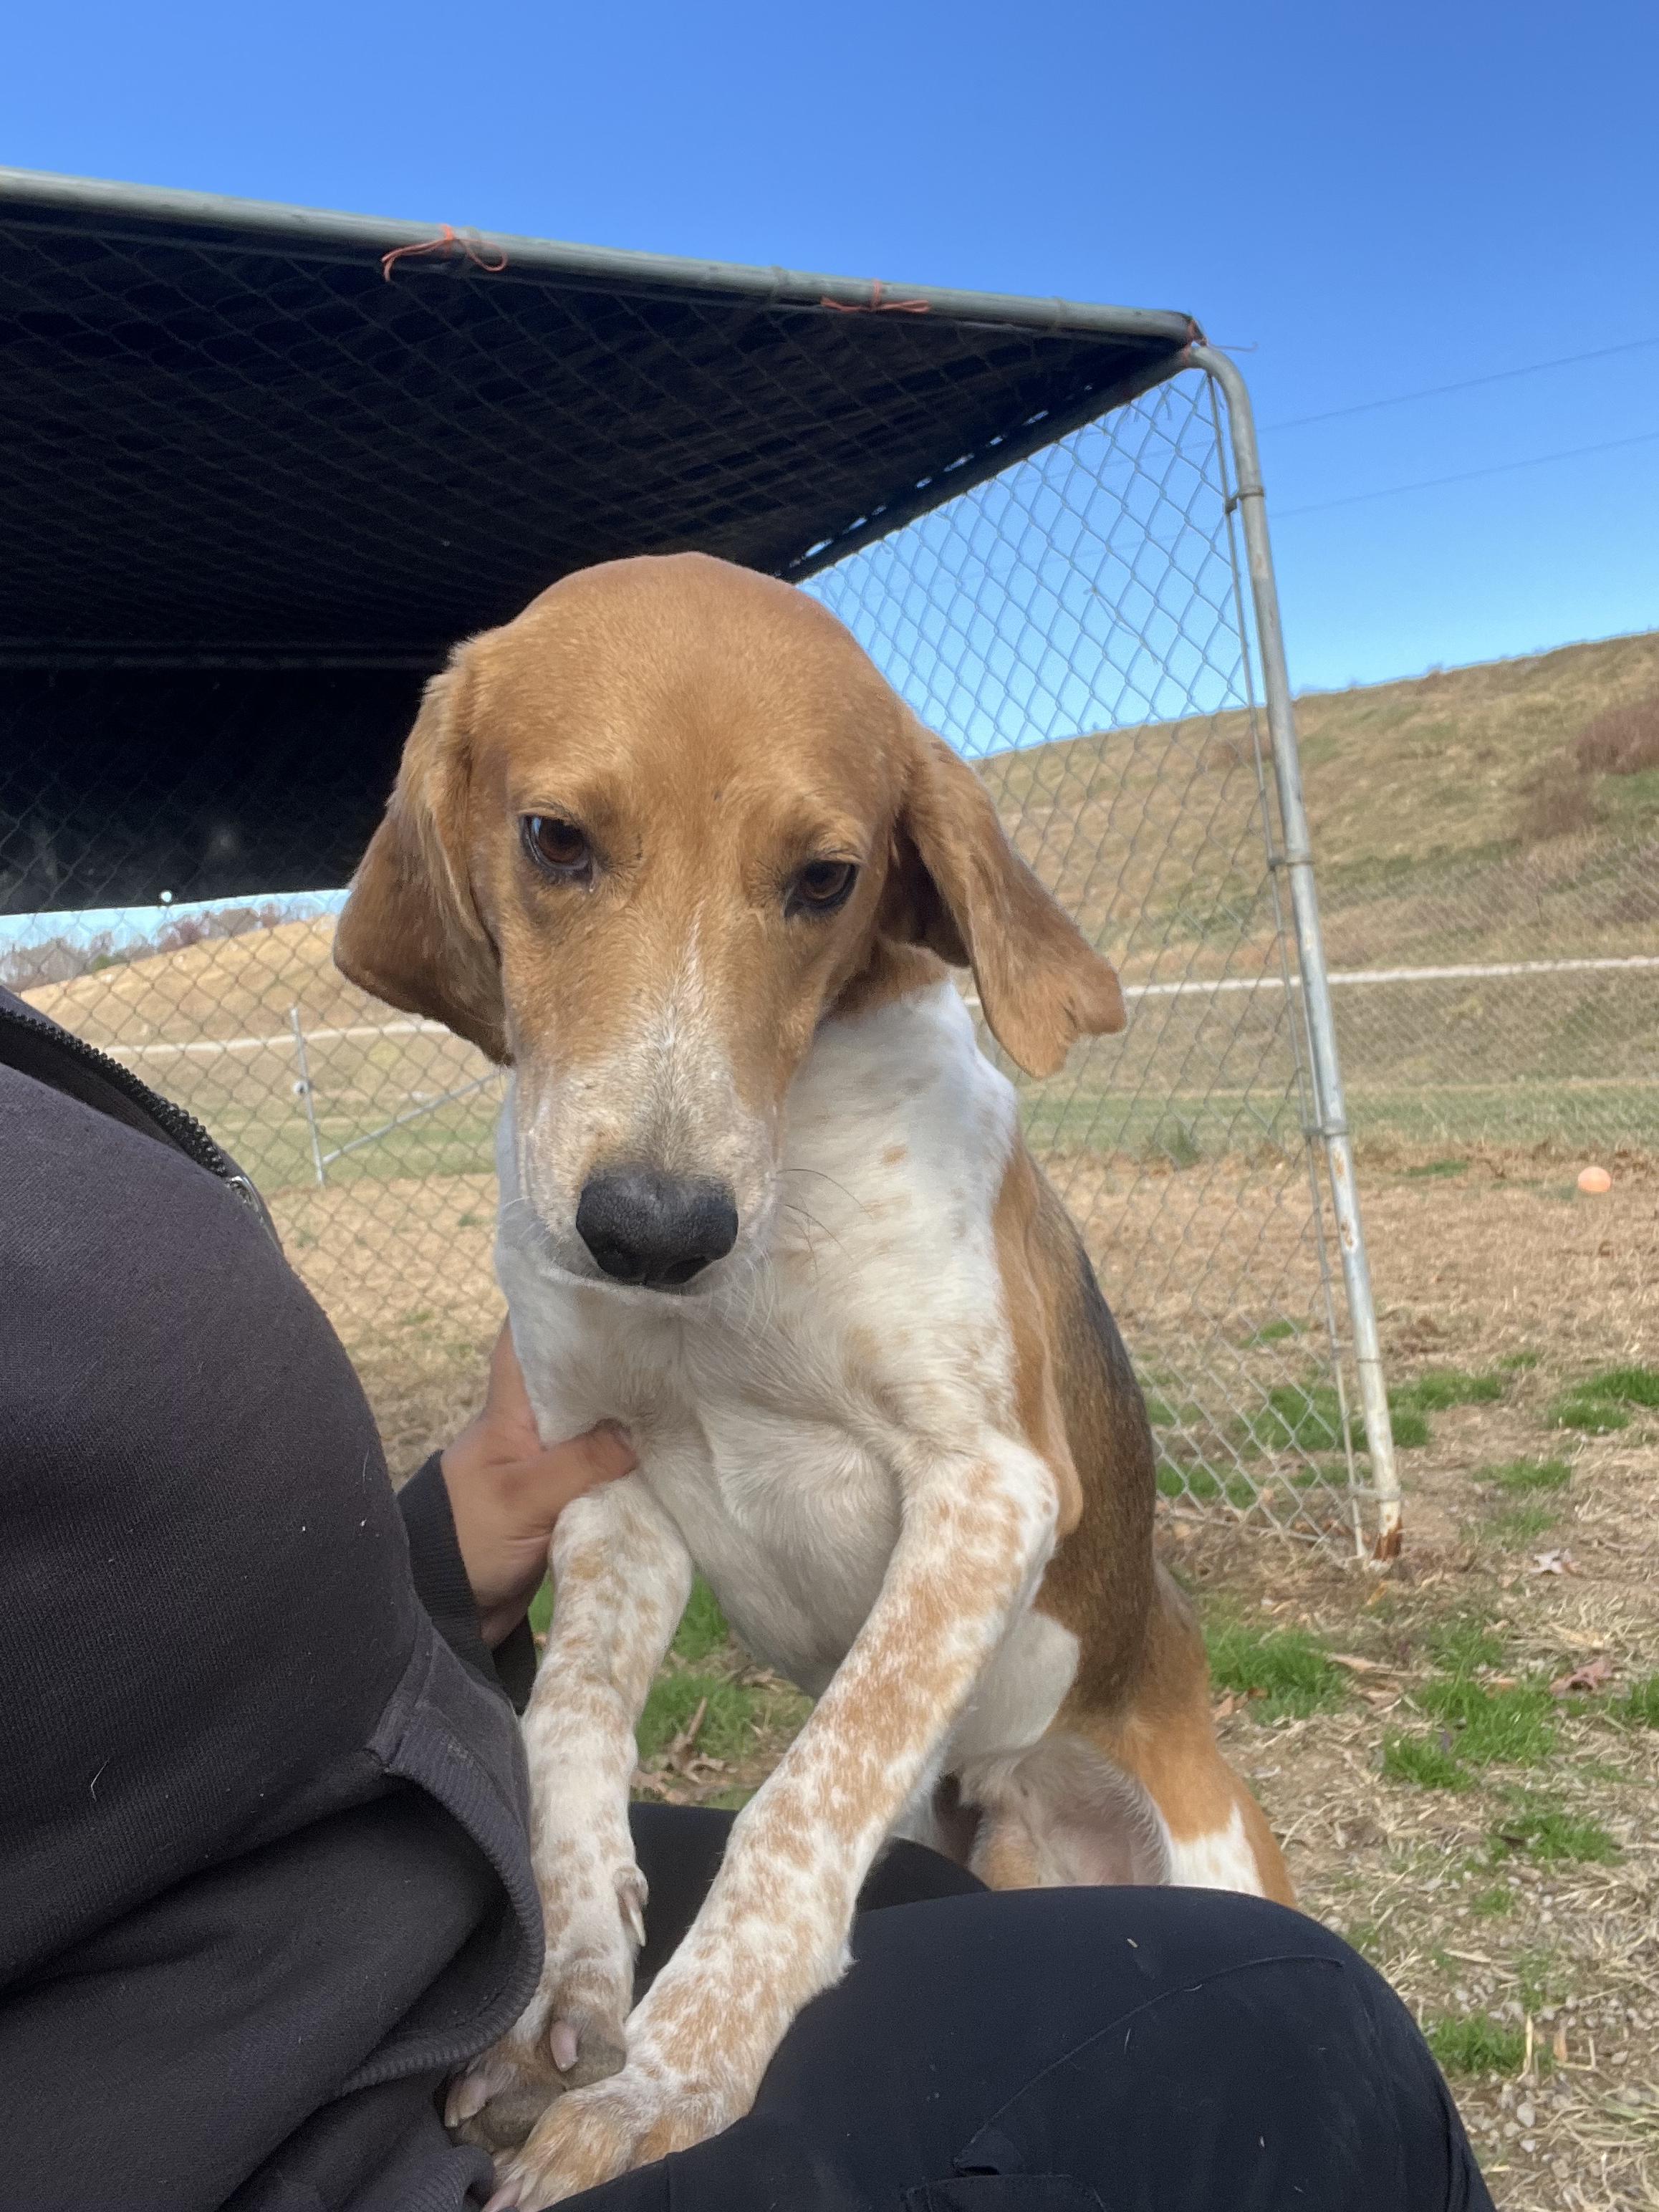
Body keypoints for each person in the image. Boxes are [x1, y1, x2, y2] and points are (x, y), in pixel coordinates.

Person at [0, 984, 1495, 2212]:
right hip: (245, 2107)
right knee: (1304, 2026)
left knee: (1174, 1957)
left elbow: (989, 1484)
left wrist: (437, 1554)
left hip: (331, 1882)